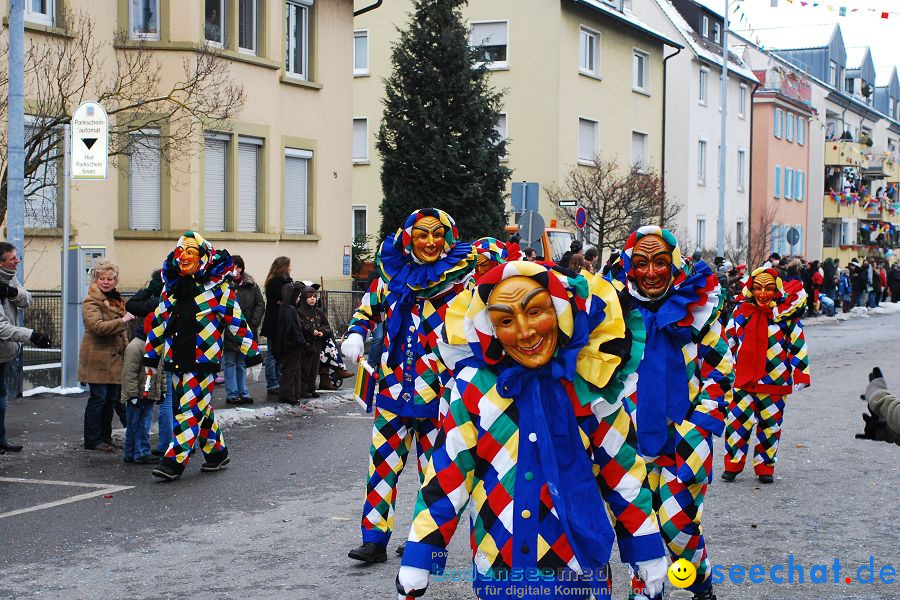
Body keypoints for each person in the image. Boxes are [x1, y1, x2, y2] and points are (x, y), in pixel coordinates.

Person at [395, 261, 667, 600]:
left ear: (559, 309)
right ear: (490, 327)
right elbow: (448, 475)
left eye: (535, 311)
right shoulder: (471, 388)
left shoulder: (591, 382)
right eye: (506, 320)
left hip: (577, 571)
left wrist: (644, 547)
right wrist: (422, 554)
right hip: (498, 570)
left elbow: (623, 473)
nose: (525, 332)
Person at [341, 208, 476, 564]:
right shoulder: (391, 275)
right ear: (408, 238)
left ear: (448, 237)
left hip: (440, 392)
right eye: (422, 235)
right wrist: (356, 332)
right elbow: (366, 310)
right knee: (381, 466)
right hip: (393, 387)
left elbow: (482, 319)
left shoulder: (461, 279)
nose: (430, 241)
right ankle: (373, 539)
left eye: (437, 234)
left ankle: (426, 540)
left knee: (435, 473)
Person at [609, 226, 733, 600]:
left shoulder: (698, 311)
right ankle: (646, 592)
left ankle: (698, 582)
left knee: (678, 525)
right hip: (629, 436)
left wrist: (700, 422)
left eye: (660, 262)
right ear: (630, 266)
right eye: (642, 262)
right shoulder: (615, 312)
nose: (650, 272)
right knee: (637, 526)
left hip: (685, 437)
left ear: (674, 264)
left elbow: (719, 370)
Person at [144, 232, 262, 481]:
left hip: (203, 362)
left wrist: (252, 356)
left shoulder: (218, 289)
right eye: (181, 252)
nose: (184, 256)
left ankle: (173, 461)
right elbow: (159, 323)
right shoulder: (173, 289)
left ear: (204, 256)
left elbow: (238, 324)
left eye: (190, 251)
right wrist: (150, 358)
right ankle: (217, 453)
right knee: (199, 409)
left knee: (187, 411)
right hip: (177, 358)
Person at [722, 268, 810, 484]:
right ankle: (733, 464)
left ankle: (765, 466)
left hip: (775, 381)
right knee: (737, 423)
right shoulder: (742, 312)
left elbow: (797, 344)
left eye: (769, 288)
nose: (763, 293)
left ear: (777, 290)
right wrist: (721, 368)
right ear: (751, 289)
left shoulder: (786, 316)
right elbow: (727, 341)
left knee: (770, 427)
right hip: (743, 380)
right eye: (758, 288)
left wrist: (801, 373)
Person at [0, 242, 51, 454]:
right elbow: (1, 327)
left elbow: (27, 299)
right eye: (13, 258)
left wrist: (11, 292)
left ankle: (1, 439)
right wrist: (32, 336)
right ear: (1, 262)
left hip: (4, 353)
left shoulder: (9, 276)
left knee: (2, 397)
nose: (17, 261)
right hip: (4, 345)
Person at [78, 261, 134, 452]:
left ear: (115, 280)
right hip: (98, 357)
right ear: (96, 279)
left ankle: (105, 437)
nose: (106, 282)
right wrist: (123, 320)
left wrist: (127, 351)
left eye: (110, 279)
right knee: (98, 399)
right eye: (102, 278)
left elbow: (122, 331)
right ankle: (93, 439)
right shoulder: (91, 301)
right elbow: (97, 327)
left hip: (114, 358)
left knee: (110, 400)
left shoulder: (115, 298)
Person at [124, 269, 172, 455]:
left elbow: (132, 305)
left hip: (160, 348)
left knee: (155, 403)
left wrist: (148, 290)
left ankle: (147, 448)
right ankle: (170, 444)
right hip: (173, 349)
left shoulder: (159, 300)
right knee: (167, 400)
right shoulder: (180, 294)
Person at [224, 255, 265, 405]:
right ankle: (232, 393)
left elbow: (260, 304)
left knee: (242, 363)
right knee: (229, 362)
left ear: (240, 268)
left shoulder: (251, 285)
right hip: (228, 330)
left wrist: (253, 323)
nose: (230, 270)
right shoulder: (224, 284)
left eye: (233, 266)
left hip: (246, 329)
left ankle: (243, 392)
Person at [121, 317, 163, 465]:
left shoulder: (153, 345)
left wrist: (161, 391)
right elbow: (129, 373)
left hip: (147, 393)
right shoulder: (136, 347)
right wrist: (132, 394)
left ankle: (134, 452)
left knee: (141, 424)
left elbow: (160, 370)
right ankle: (139, 452)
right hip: (138, 394)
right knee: (137, 424)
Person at [260, 256, 293, 397]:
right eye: (289, 265)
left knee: (280, 354)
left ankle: (280, 381)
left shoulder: (285, 281)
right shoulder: (274, 282)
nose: (291, 268)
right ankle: (272, 383)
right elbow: (284, 297)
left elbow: (288, 299)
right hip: (274, 323)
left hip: (282, 321)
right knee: (273, 355)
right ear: (284, 267)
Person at [272, 282, 307, 405]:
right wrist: (302, 342)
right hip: (292, 345)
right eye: (297, 297)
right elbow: (294, 330)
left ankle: (292, 394)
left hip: (287, 345)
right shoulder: (290, 310)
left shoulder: (284, 308)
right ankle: (288, 395)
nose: (298, 299)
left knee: (291, 370)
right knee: (291, 371)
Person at [297, 286, 331, 399]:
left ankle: (311, 388)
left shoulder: (318, 312)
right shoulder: (300, 311)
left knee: (314, 367)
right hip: (306, 343)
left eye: (314, 297)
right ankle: (302, 389)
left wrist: (322, 332)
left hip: (317, 343)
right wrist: (312, 331)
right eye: (309, 297)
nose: (312, 299)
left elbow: (326, 325)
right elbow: (301, 325)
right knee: (304, 367)